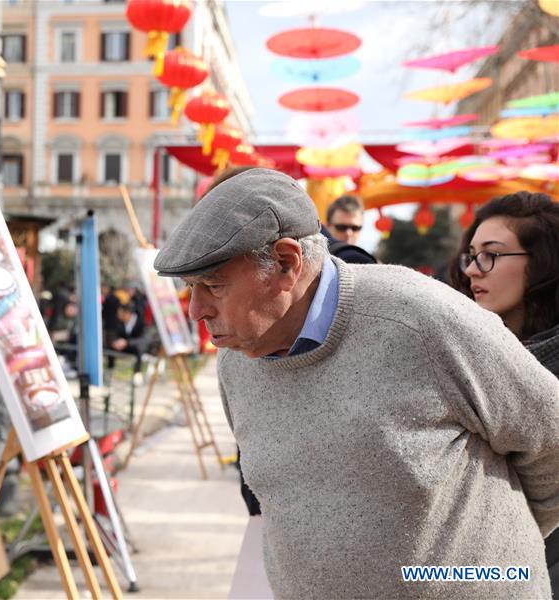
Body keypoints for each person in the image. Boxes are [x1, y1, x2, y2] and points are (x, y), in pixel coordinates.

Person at [153, 168, 559, 598]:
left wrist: (486, 556)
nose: (196, 310)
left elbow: (550, 438)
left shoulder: (421, 318)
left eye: (212, 286)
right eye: (190, 288)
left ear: (287, 263)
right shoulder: (235, 358)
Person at [449, 191, 559, 598]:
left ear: (545, 263)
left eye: (491, 255)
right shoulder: (468, 359)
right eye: (471, 255)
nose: (473, 271)